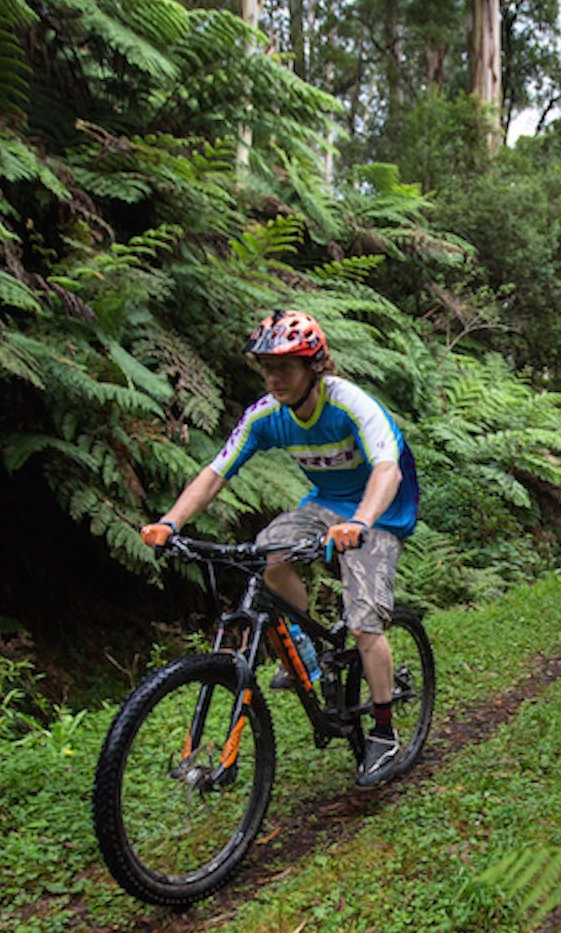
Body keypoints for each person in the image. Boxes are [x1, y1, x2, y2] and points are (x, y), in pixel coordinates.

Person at [140, 310, 420, 788]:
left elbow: (387, 470)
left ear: (315, 366)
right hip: (323, 506)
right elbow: (215, 472)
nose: (272, 378)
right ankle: (307, 657)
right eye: (266, 367)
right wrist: (170, 522)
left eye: (284, 367)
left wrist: (360, 523)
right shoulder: (267, 414)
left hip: (379, 510)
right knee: (267, 548)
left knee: (364, 621)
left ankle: (385, 733)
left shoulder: (350, 403)